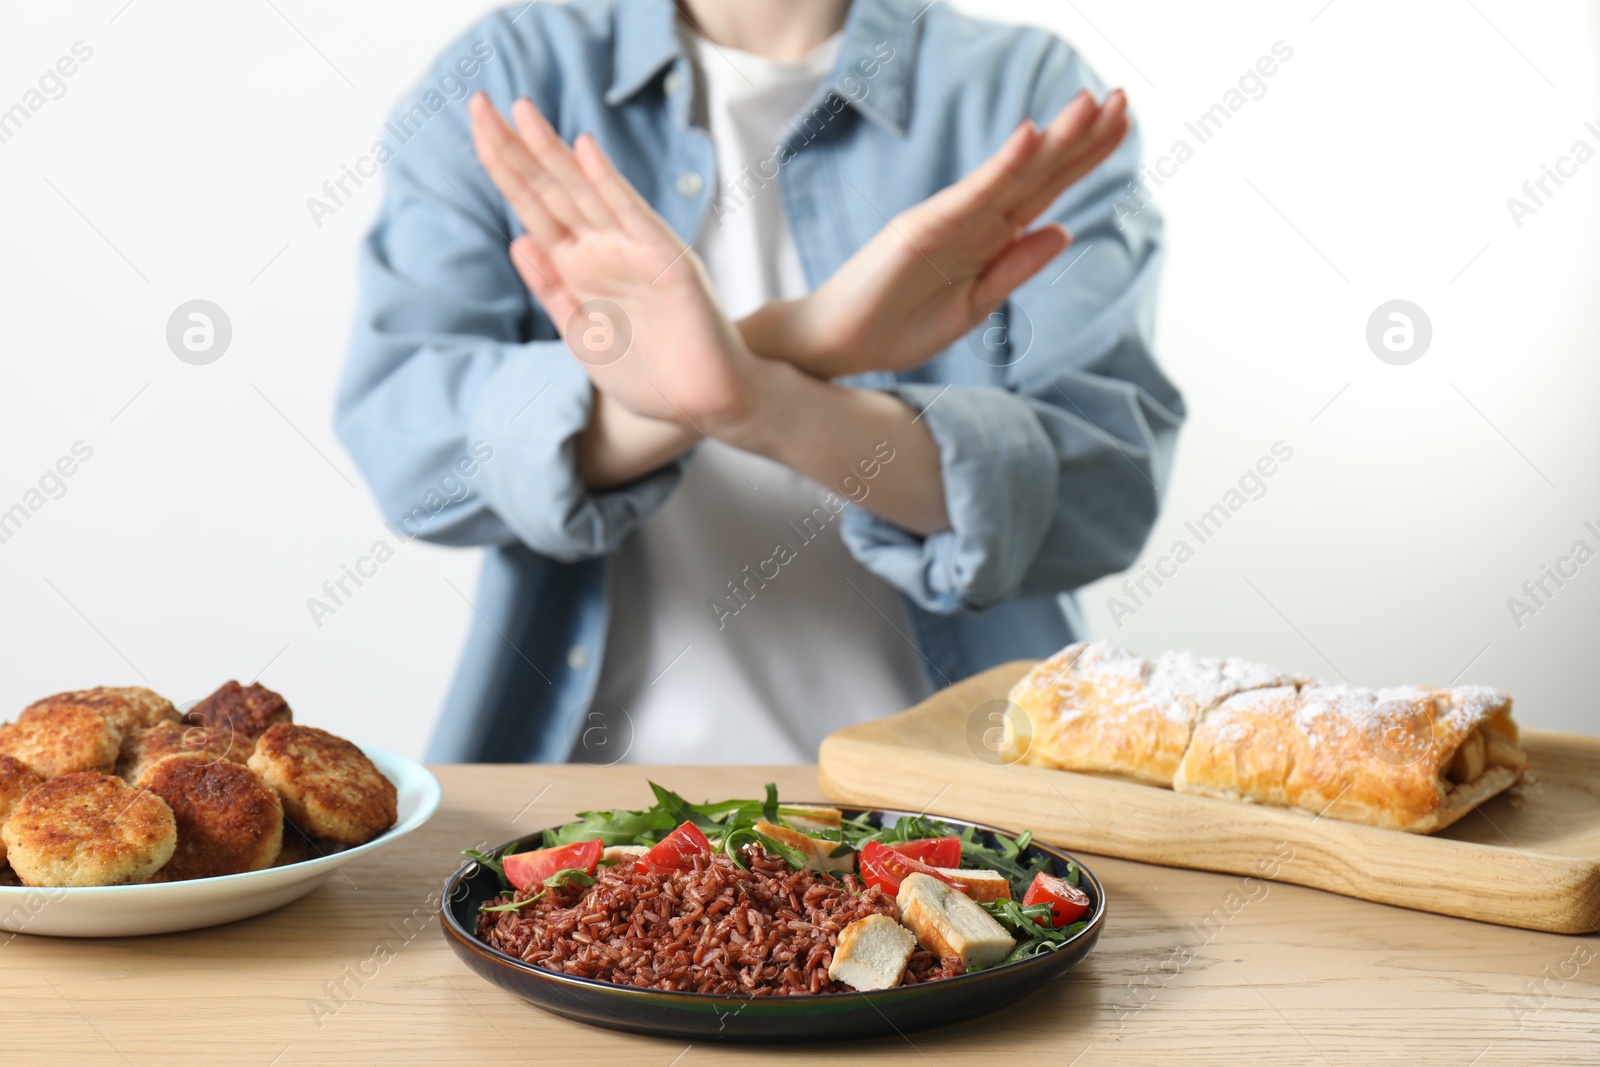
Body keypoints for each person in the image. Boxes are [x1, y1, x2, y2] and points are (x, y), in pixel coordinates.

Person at [335, 0, 1184, 765]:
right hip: (581, 815)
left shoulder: (1022, 92)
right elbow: (407, 440)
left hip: (957, 811)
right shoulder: (512, 73)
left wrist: (758, 394)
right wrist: (794, 342)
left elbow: (1106, 482)